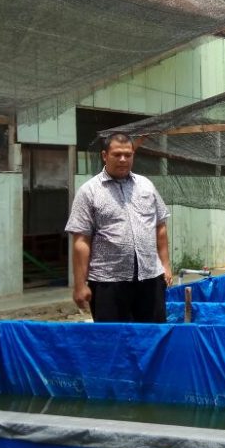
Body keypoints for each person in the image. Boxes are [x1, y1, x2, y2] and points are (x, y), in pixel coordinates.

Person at [65, 132, 172, 322]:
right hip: (108, 282)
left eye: (128, 154)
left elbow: (160, 226)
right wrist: (80, 285)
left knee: (153, 335)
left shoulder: (146, 186)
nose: (123, 159)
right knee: (112, 337)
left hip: (150, 278)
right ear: (105, 155)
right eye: (117, 154)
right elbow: (81, 240)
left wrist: (166, 266)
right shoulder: (89, 191)